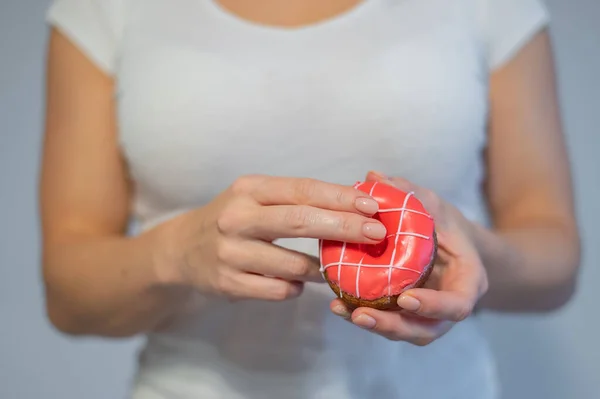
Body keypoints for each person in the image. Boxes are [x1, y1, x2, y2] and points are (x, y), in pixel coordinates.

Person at [40, 0, 581, 398]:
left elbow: (557, 264)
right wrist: (176, 250)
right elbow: (68, 296)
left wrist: (475, 250)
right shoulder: (104, 10)